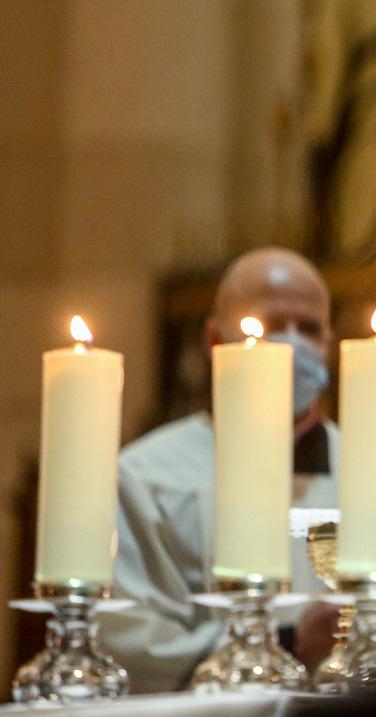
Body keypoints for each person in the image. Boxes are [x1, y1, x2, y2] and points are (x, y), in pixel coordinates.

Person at [99, 247, 339, 693]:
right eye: (270, 326)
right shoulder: (144, 475)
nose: (293, 345)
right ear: (214, 342)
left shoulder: (371, 468)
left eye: (309, 329)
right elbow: (128, 635)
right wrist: (287, 643)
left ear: (327, 342)